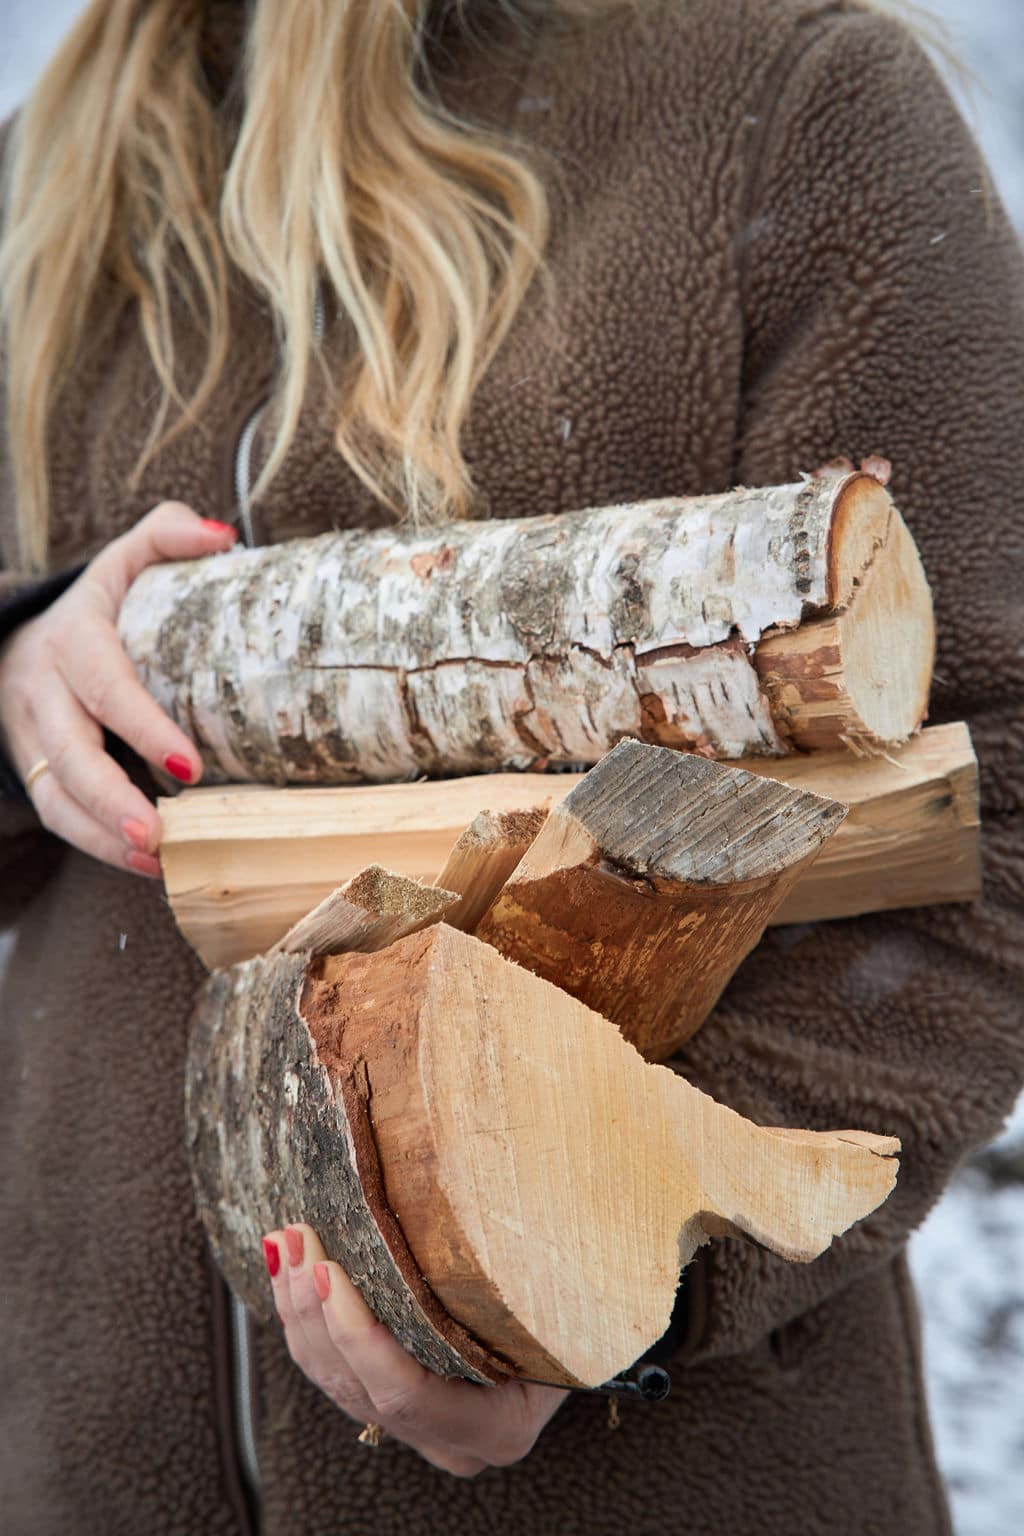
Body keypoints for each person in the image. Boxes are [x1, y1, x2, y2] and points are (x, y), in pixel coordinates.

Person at [0, 0, 1021, 1531]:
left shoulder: (783, 97)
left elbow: (994, 795)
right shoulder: (50, 171)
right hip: (89, 1459)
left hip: (657, 1482)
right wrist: (17, 661)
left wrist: (615, 1265)